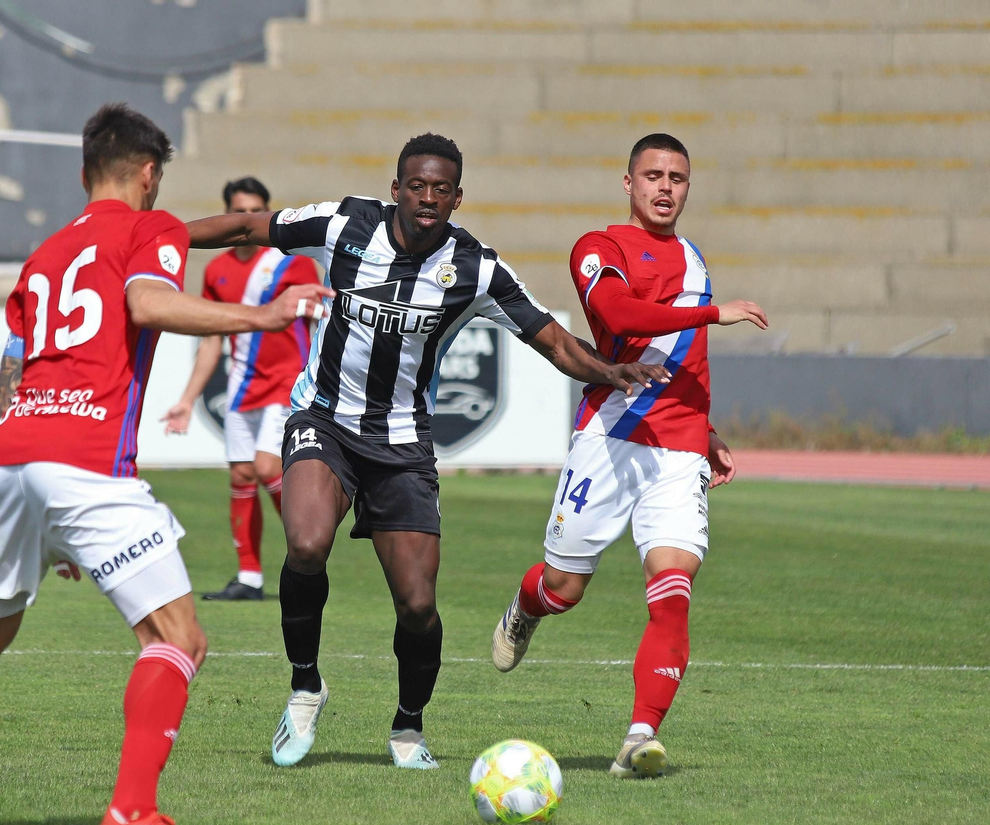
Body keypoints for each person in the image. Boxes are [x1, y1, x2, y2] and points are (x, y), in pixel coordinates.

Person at [0, 104, 330, 825]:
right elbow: (148, 302)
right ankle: (132, 816)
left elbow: (9, 377)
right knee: (179, 637)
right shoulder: (149, 229)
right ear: (148, 175)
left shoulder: (45, 254)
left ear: (83, 174)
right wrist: (262, 315)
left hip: (12, 456)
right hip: (84, 458)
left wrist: (41, 508)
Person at [186, 133, 669, 770]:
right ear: (396, 189)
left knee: (416, 605)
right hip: (324, 418)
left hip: (403, 444)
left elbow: (550, 339)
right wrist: (155, 236)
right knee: (305, 542)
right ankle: (305, 687)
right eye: (417, 185)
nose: (428, 198)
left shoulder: (476, 268)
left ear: (457, 198)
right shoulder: (345, 224)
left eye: (442, 189)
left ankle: (408, 729)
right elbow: (249, 225)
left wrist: (607, 370)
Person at [488, 133, 769, 778]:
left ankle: (640, 737)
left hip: (677, 454)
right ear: (629, 183)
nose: (665, 187)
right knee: (564, 588)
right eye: (653, 175)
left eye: (677, 177)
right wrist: (709, 313)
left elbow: (681, 363)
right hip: (610, 440)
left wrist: (709, 430)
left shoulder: (694, 259)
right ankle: (524, 608)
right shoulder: (600, 248)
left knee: (672, 590)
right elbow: (618, 316)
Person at [162, 176, 321, 601]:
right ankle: (249, 576)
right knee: (241, 475)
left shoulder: (293, 264)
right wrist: (186, 399)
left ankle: (309, 548)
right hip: (241, 386)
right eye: (239, 210)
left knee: (268, 468)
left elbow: (321, 318)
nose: (247, 217)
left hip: (287, 384)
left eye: (254, 209)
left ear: (265, 212)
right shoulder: (217, 270)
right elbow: (212, 339)